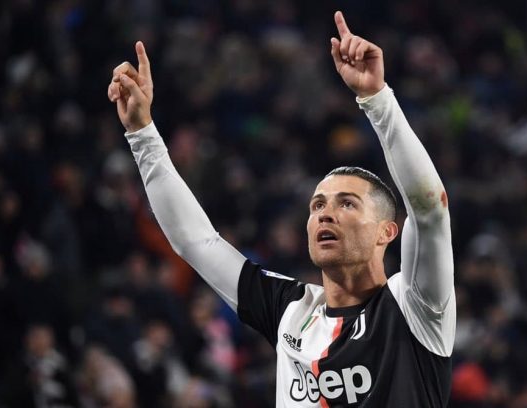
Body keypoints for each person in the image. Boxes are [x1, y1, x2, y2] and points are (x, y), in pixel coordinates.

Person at [108, 11, 455, 407]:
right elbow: (196, 241)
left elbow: (429, 208)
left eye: (347, 203)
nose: (325, 214)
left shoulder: (414, 308)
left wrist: (377, 100)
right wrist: (142, 134)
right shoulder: (291, 310)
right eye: (317, 204)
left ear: (386, 231)